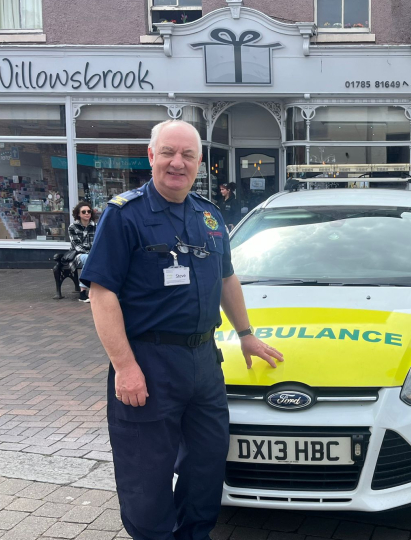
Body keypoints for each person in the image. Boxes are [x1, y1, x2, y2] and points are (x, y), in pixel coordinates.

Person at [80, 120, 284, 540]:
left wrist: (245, 333)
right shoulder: (124, 215)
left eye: (188, 155)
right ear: (151, 156)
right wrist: (125, 366)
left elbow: (227, 279)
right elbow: (102, 294)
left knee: (206, 461)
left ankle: (195, 534)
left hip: (204, 361)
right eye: (168, 153)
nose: (178, 163)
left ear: (199, 163)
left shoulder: (209, 216)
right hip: (149, 363)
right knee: (147, 470)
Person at [68, 201, 96, 303]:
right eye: (83, 212)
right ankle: (83, 292)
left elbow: (98, 243)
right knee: (88, 258)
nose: (87, 213)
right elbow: (77, 246)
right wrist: (91, 253)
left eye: (89, 211)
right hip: (78, 255)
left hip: (93, 255)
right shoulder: (72, 227)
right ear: (78, 214)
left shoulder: (95, 226)